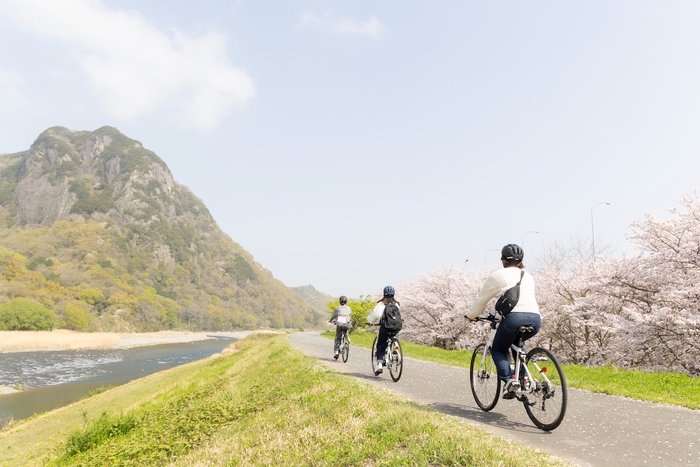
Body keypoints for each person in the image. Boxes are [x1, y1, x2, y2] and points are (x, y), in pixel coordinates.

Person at [466, 244, 541, 398]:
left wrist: (471, 315)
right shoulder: (528, 276)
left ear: (503, 260)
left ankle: (509, 381)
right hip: (535, 319)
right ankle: (524, 378)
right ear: (521, 261)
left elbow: (481, 300)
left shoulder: (497, 276)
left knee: (498, 349)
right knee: (517, 346)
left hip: (513, 319)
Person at [366, 286, 400, 375]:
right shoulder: (396, 304)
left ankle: (380, 364)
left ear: (384, 294)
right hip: (396, 326)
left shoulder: (381, 304)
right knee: (393, 335)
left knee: (381, 344)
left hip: (385, 326)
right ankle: (395, 344)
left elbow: (375, 315)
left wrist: (369, 322)